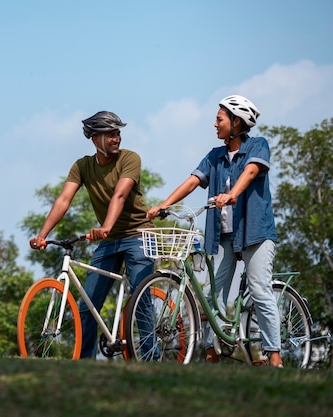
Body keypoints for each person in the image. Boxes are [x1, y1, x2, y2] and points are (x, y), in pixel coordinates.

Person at [146, 95, 283, 367]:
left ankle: (274, 356)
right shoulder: (215, 156)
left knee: (259, 290)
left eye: (219, 119)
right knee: (212, 297)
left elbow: (251, 171)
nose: (215, 124)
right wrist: (163, 205)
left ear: (236, 122)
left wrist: (231, 195)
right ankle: (212, 356)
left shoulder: (258, 145)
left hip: (255, 232)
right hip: (224, 237)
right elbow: (192, 181)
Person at [29, 110, 156, 358]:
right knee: (87, 304)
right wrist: (42, 235)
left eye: (118, 133)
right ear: (94, 139)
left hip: (138, 235)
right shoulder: (83, 166)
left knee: (141, 299)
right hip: (109, 241)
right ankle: (85, 361)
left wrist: (106, 226)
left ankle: (154, 359)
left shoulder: (130, 159)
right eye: (110, 134)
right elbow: (64, 200)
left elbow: (119, 195)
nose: (116, 138)